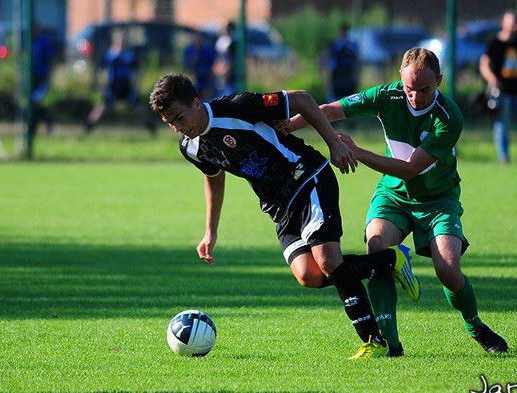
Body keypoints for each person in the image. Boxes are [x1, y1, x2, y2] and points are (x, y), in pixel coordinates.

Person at [148, 73, 420, 359]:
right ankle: (390, 260)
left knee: (328, 260)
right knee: (309, 275)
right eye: (170, 123)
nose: (177, 128)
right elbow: (213, 177)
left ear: (195, 102)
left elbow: (302, 98)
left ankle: (373, 341)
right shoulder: (190, 147)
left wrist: (334, 144)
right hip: (278, 206)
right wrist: (210, 231)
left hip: (308, 177)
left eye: (178, 118)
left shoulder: (238, 107)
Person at [279, 47, 509, 354]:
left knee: (449, 271)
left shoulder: (449, 117)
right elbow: (333, 109)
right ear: (400, 79)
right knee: (377, 250)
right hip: (393, 195)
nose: (415, 96)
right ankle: (391, 342)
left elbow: (411, 169)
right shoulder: (387, 96)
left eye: (424, 89)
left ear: (439, 81)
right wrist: (294, 123)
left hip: (438, 200)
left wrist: (356, 151)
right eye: (408, 88)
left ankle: (475, 324)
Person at [479, 10, 517, 164]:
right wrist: (492, 79)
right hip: (502, 91)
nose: (514, 26)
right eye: (511, 23)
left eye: (516, 23)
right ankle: (504, 156)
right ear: (503, 24)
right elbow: (484, 65)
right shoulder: (494, 43)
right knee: (502, 124)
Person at [85, 30, 156, 135]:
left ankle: (152, 128)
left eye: (123, 41)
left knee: (140, 109)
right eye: (119, 41)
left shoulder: (129, 56)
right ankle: (88, 128)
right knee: (101, 109)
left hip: (127, 87)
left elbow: (139, 71)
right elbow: (98, 70)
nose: (121, 43)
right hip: (112, 88)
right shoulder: (109, 55)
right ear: (114, 42)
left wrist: (137, 86)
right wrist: (101, 85)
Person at [31, 23, 56, 136]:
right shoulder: (29, 41)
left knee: (37, 101)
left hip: (42, 75)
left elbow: (50, 59)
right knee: (33, 102)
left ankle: (47, 123)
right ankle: (39, 125)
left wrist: (50, 75)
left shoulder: (44, 41)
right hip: (31, 76)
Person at [327, 23, 359, 102]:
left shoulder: (353, 45)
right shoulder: (335, 45)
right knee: (337, 102)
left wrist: (357, 76)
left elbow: (356, 61)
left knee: (350, 101)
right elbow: (330, 62)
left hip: (349, 77)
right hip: (337, 77)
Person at [183, 31, 216, 100]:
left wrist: (209, 87)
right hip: (194, 82)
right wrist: (194, 58)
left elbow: (212, 69)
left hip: (206, 82)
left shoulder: (207, 50)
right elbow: (188, 69)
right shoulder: (188, 50)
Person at [213, 21, 238, 96]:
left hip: (229, 75)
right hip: (223, 72)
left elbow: (231, 61)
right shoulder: (224, 41)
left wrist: (226, 69)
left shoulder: (234, 42)